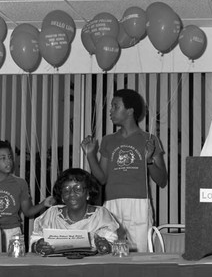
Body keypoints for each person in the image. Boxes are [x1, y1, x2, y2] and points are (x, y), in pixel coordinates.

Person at [81, 89, 167, 252]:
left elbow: (162, 180)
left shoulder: (149, 139)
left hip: (139, 204)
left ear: (130, 111)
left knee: (141, 253)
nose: (110, 111)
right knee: (109, 252)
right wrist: (90, 155)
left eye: (115, 106)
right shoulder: (108, 140)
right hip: (111, 205)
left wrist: (148, 160)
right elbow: (102, 179)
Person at [30, 168, 120, 255]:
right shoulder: (51, 215)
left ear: (88, 193)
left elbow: (113, 244)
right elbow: (34, 241)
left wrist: (107, 246)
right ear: (62, 197)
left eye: (78, 189)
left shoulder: (101, 216)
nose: (72, 194)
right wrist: (38, 246)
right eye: (66, 190)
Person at [0, 140, 54, 251]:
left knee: (15, 266)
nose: (8, 161)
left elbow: (28, 211)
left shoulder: (20, 183)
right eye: (3, 158)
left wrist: (43, 203)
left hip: (13, 232)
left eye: (10, 157)